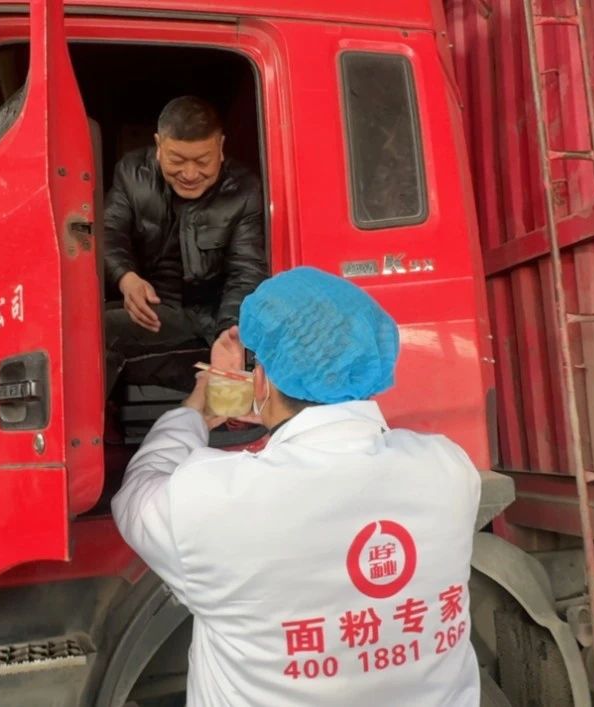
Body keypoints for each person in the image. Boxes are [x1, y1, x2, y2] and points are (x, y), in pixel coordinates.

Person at [112, 268, 482, 706]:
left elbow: (139, 490)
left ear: (262, 383)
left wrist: (202, 403)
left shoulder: (217, 502)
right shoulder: (449, 469)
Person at [103, 96, 266, 394]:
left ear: (221, 147)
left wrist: (228, 333)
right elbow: (107, 233)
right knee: (78, 322)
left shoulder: (243, 190)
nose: (190, 174)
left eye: (203, 162)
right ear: (158, 145)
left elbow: (246, 272)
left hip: (204, 316)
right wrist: (126, 278)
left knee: (100, 330)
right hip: (152, 305)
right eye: (177, 161)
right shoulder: (131, 172)